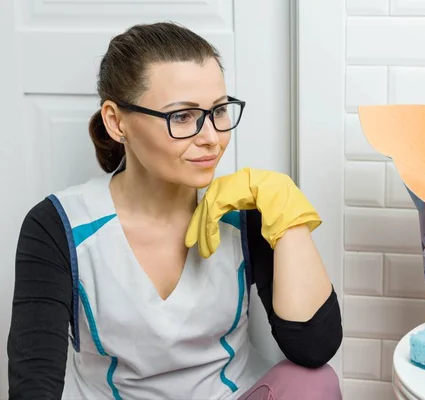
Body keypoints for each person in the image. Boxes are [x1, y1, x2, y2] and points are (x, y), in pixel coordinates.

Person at [7, 22, 343, 399]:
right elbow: (33, 384)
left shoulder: (244, 212)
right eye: (182, 116)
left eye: (219, 111)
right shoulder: (59, 226)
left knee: (316, 383)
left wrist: (286, 210)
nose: (211, 137)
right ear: (116, 122)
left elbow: (314, 349)